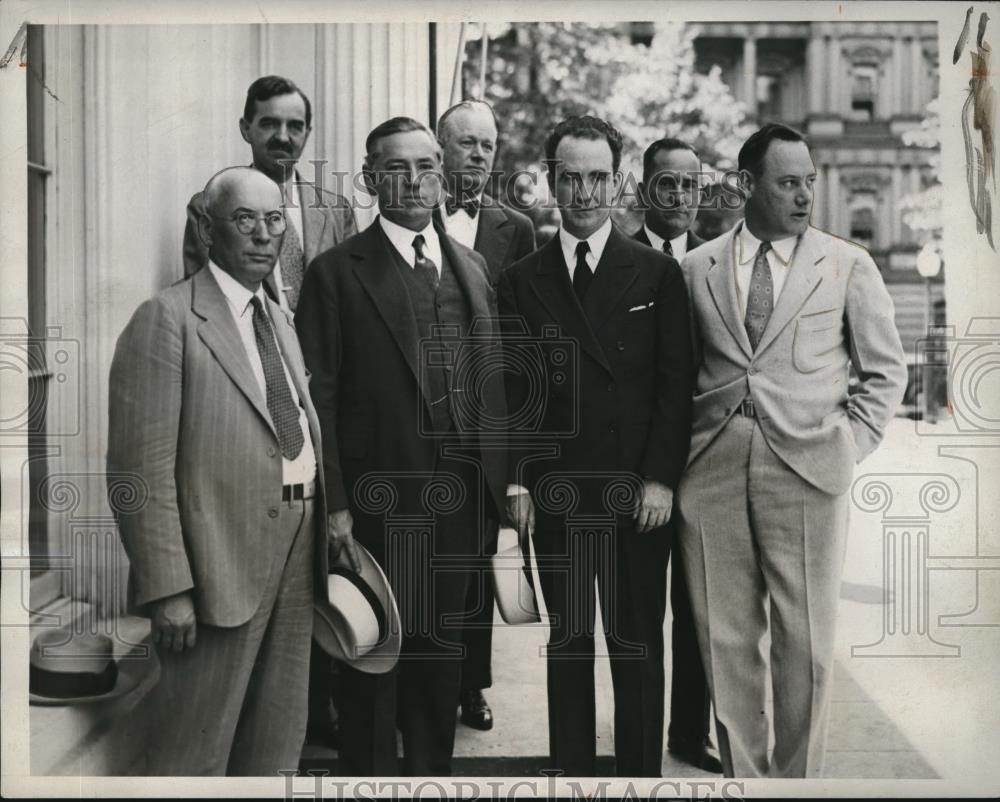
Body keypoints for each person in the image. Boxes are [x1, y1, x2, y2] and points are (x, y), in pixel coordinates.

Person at [676, 123, 907, 778]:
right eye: (788, 183)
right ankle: (746, 781)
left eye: (809, 181)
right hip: (712, 471)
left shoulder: (846, 264)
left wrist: (848, 445)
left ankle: (797, 785)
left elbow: (885, 371)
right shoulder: (696, 267)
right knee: (724, 640)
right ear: (746, 185)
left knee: (805, 642)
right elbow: (679, 372)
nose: (805, 196)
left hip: (809, 470)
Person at [295, 117, 508, 776]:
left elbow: (494, 384)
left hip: (461, 504)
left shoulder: (472, 267)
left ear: (442, 174)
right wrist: (334, 504)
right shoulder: (335, 273)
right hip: (375, 507)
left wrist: (504, 485)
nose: (414, 181)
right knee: (370, 665)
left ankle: (428, 782)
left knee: (439, 669)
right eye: (396, 167)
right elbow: (318, 400)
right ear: (370, 178)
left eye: (425, 166)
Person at [107, 167, 329, 775]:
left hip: (298, 545)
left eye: (274, 220)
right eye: (244, 219)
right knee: (195, 753)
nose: (262, 234)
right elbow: (137, 473)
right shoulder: (167, 318)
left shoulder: (277, 320)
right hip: (215, 567)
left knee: (277, 741)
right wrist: (168, 589)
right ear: (208, 230)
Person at [497, 115, 694, 777]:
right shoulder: (521, 279)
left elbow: (675, 385)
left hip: (638, 497)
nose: (584, 192)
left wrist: (661, 479)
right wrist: (519, 480)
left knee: (637, 646)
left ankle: (641, 779)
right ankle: (574, 775)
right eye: (570, 177)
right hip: (559, 494)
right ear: (550, 182)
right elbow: (514, 391)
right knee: (570, 644)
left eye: (597, 178)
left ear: (618, 182)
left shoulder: (656, 274)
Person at [435, 99, 536, 732]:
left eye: (488, 144)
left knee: (478, 559)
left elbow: (520, 344)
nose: (478, 153)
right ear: (440, 146)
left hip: (484, 420)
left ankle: (471, 684)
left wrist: (517, 464)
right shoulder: (409, 216)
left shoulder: (515, 228)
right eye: (466, 141)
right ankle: (420, 685)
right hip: (422, 412)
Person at [631, 136, 721, 773]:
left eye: (692, 184)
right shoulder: (618, 260)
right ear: (644, 190)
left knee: (698, 610)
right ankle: (638, 736)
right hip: (640, 467)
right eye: (668, 183)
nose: (682, 196)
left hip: (708, 462)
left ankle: (690, 731)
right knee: (641, 611)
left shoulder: (718, 263)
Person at [182, 75, 356, 313]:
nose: (282, 137)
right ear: (246, 129)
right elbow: (205, 304)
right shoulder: (209, 207)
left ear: (306, 133)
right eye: (269, 124)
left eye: (294, 126)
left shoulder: (337, 210)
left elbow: (352, 299)